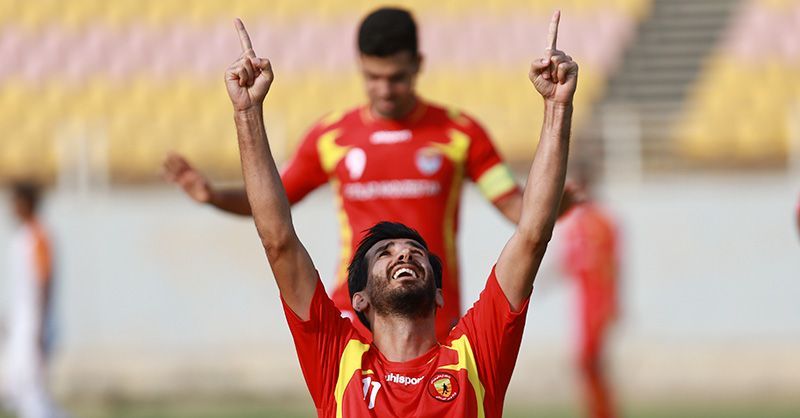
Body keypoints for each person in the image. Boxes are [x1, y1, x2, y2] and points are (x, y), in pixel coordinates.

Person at [223, 8, 576, 416]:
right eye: (384, 253)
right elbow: (278, 240)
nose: (404, 252)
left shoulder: (474, 358)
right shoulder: (338, 362)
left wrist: (557, 107)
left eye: (415, 251)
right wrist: (247, 114)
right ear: (358, 299)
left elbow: (531, 234)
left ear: (440, 293)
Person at [164, 7, 532, 341]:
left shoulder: (461, 133)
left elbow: (519, 209)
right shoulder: (331, 136)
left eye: (396, 77)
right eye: (373, 77)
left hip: (429, 314)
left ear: (418, 64)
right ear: (359, 65)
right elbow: (273, 204)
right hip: (355, 315)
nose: (384, 90)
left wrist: (555, 201)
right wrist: (214, 196)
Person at [1, 182, 66, 418]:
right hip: (23, 320)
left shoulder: (39, 236)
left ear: (27, 203)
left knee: (30, 388)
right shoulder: (22, 237)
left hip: (34, 320)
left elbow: (44, 279)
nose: (12, 208)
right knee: (16, 386)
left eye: (16, 202)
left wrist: (41, 323)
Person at [560, 161, 619, 418]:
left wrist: (613, 302)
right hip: (582, 300)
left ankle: (604, 411)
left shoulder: (602, 222)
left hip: (598, 298)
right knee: (585, 362)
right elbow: (569, 261)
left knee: (591, 360)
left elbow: (614, 264)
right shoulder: (575, 223)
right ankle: (596, 410)